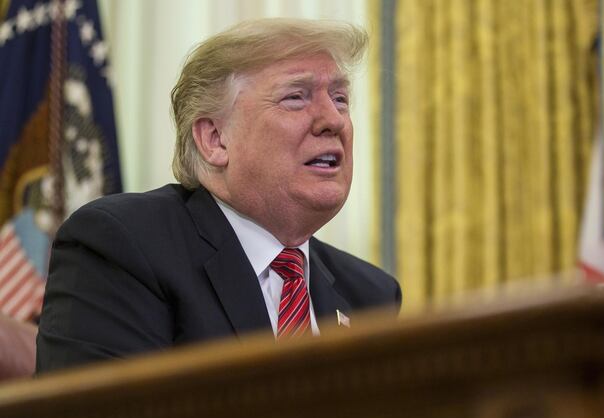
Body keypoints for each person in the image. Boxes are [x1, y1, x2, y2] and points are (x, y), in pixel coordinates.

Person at [35, 19, 401, 373]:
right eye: (295, 97)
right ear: (214, 139)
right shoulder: (123, 247)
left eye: (340, 98)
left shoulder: (371, 295)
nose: (333, 120)